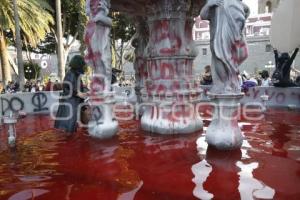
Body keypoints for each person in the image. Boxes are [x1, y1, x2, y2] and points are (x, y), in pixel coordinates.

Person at [200, 0, 250, 94]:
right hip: (218, 37)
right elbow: (203, 15)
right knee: (220, 58)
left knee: (239, 56)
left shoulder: (236, 3)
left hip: (233, 36)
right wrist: (209, 5)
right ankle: (224, 84)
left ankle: (230, 81)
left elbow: (246, 12)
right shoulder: (215, 1)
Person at [54, 55, 88, 133]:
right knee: (68, 126)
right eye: (82, 64)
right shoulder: (71, 73)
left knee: (70, 125)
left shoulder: (76, 74)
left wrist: (83, 95)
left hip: (72, 103)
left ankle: (68, 136)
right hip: (69, 103)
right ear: (79, 64)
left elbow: (77, 88)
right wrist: (78, 94)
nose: (84, 66)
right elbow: (66, 87)